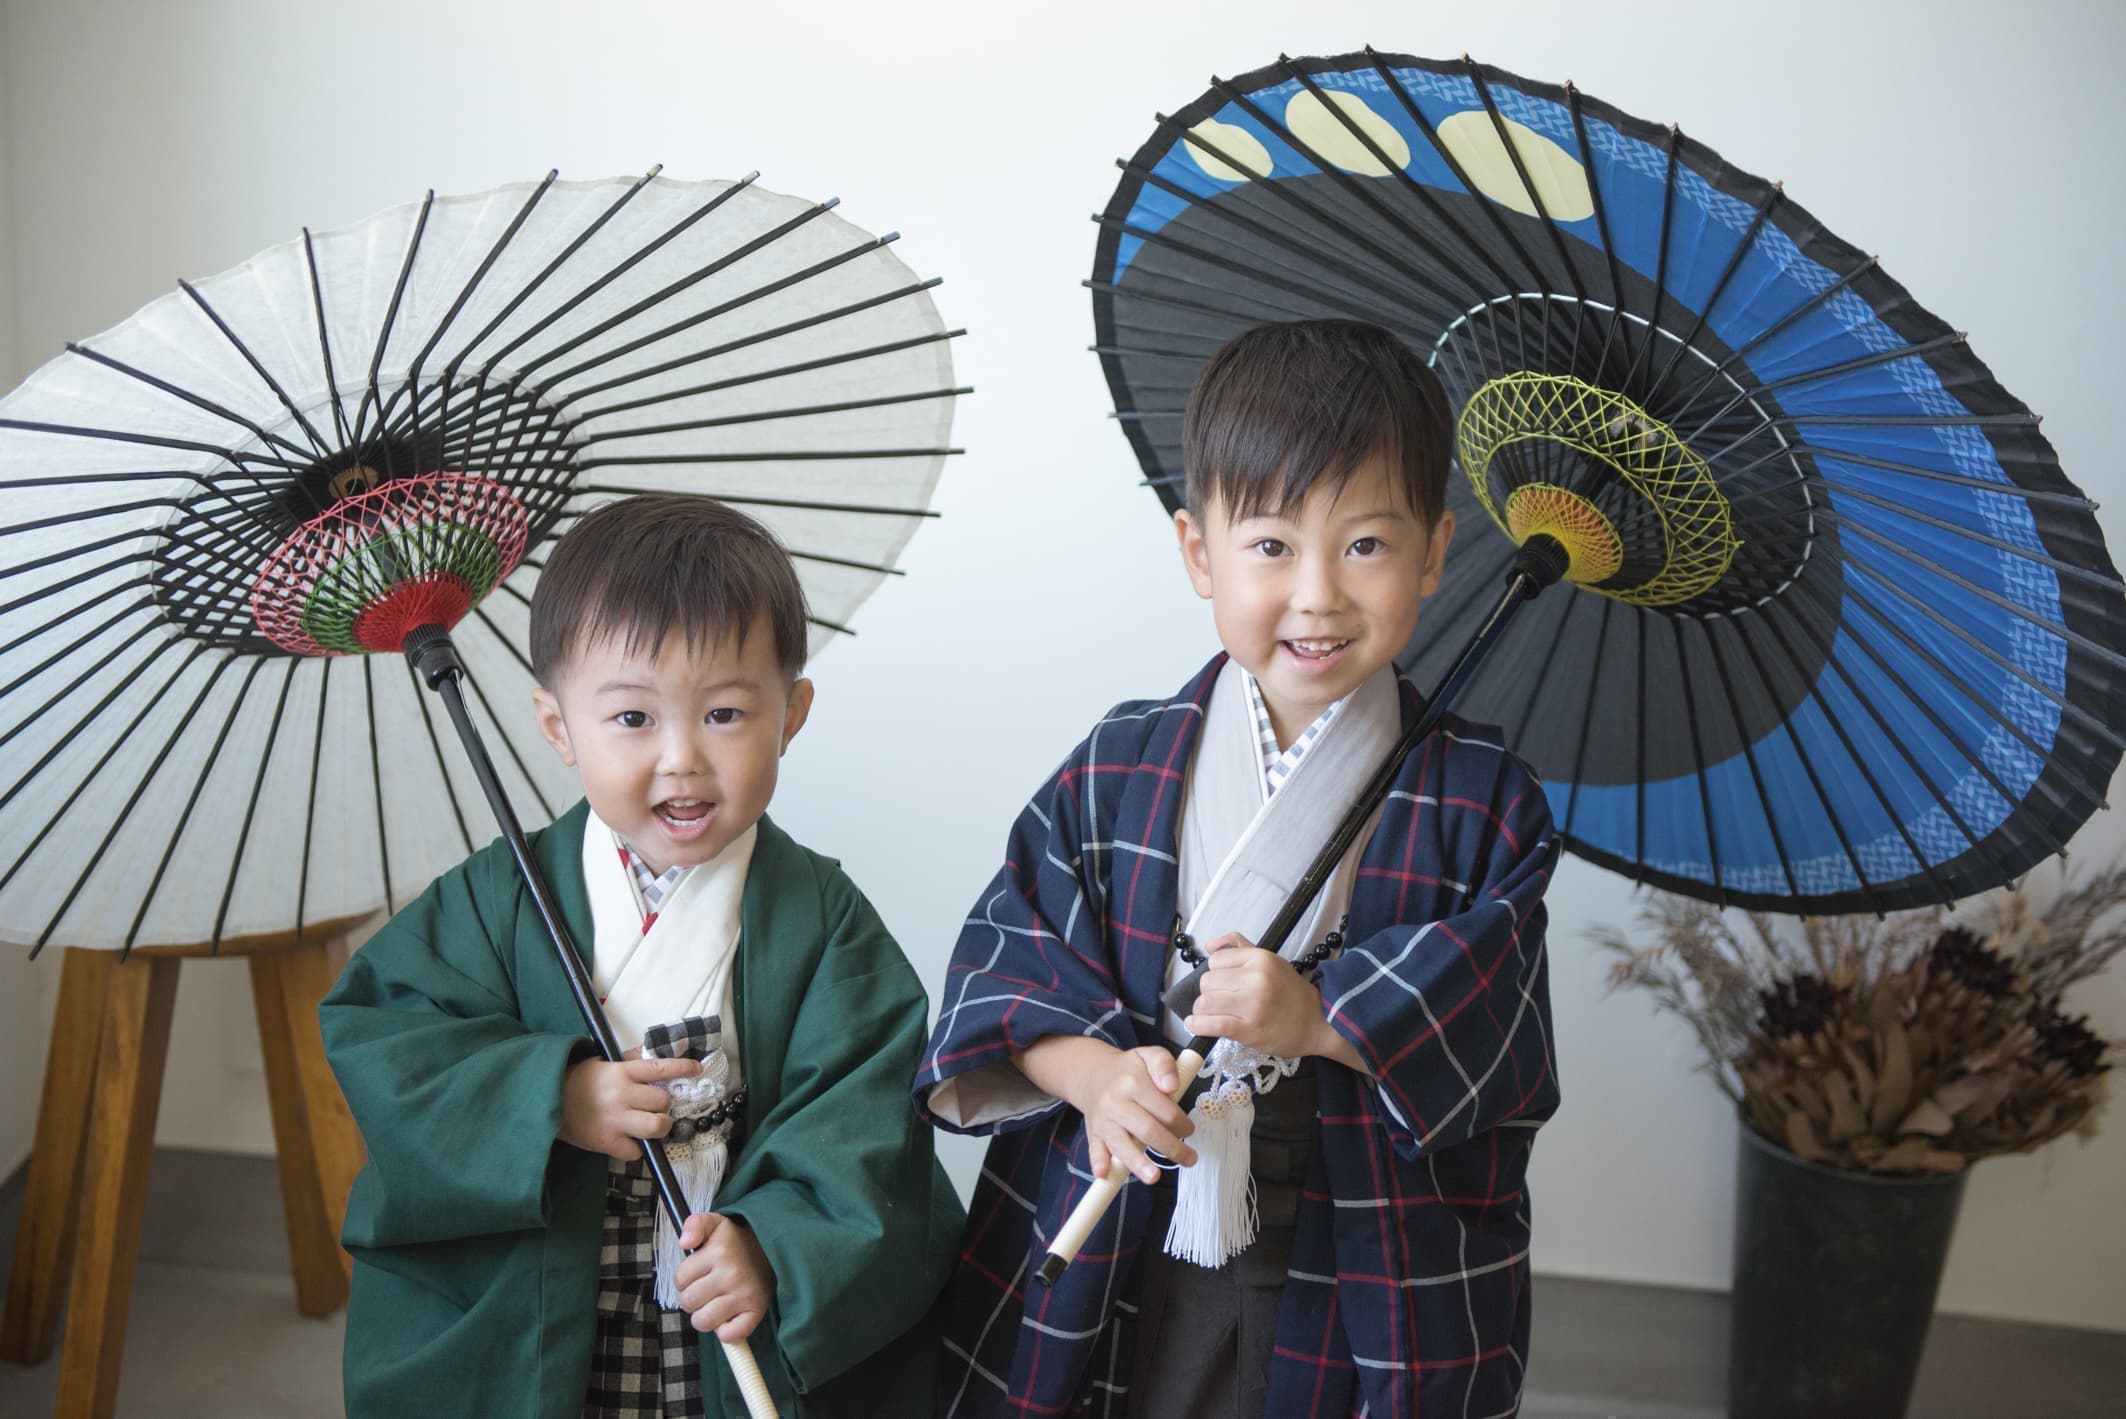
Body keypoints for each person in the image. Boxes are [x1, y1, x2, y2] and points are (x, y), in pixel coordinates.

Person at [915, 320, 1561, 1418]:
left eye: (1366, 544)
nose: (1318, 594)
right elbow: (1008, 963)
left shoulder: (1485, 797)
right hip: (1133, 1196)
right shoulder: (1121, 762)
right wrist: (1095, 1078)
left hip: (1353, 1232)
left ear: (1436, 552)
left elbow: (1496, 1030)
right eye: (1269, 544)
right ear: (1197, 551)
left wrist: (1319, 1016)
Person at [323, 493, 961, 1419]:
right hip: (547, 1306)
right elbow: (392, 1040)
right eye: (631, 717)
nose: (681, 758)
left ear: (792, 712)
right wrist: (551, 1096)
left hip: (719, 1296)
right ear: (558, 726)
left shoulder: (822, 919)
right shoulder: (498, 901)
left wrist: (772, 1244)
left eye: (725, 712)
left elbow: (865, 1121)